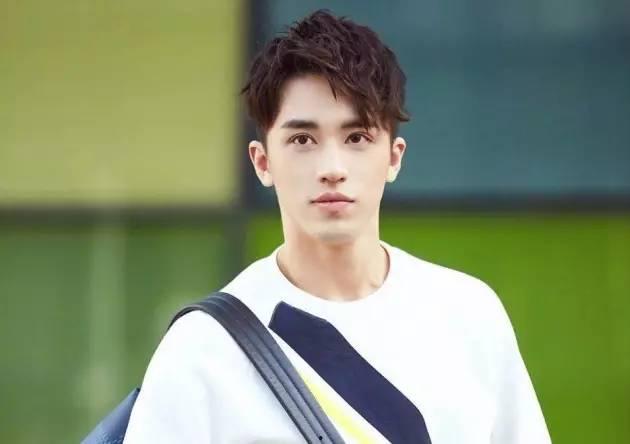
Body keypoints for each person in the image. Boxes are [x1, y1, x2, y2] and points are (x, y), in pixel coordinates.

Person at [124, 10, 551, 444]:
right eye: (302, 140)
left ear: (394, 157)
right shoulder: (203, 348)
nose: (332, 168)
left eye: (356, 138)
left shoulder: (469, 315)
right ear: (262, 162)